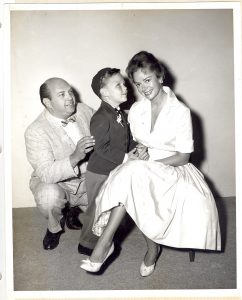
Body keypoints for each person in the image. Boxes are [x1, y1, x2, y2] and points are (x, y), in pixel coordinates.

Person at [80, 51, 221, 276]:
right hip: (143, 167)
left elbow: (183, 157)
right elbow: (137, 142)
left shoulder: (180, 111)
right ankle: (129, 246)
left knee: (133, 173)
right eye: (138, 84)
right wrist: (140, 151)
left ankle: (109, 245)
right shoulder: (137, 109)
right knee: (132, 174)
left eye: (147, 80)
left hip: (174, 168)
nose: (144, 88)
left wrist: (148, 164)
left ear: (160, 76)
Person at [78, 68, 148, 256]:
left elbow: (126, 139)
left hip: (113, 170)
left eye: (124, 84)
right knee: (95, 210)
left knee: (109, 207)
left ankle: (105, 237)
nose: (125, 87)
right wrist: (126, 157)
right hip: (99, 172)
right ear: (104, 92)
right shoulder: (101, 117)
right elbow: (101, 148)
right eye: (118, 85)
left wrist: (137, 146)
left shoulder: (120, 114)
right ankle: (86, 243)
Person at [25, 77, 95, 250]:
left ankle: (73, 210)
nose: (70, 97)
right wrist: (75, 157)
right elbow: (46, 173)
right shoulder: (35, 131)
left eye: (70, 92)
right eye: (62, 94)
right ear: (48, 102)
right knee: (48, 198)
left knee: (114, 216)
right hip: (59, 185)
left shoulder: (84, 110)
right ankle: (54, 228)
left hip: (88, 182)